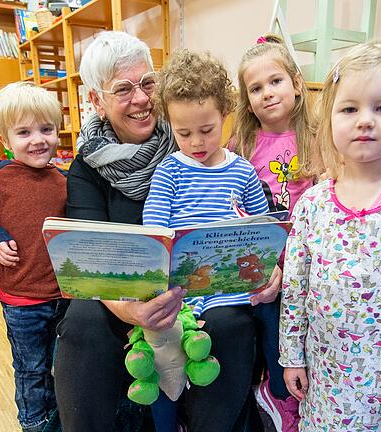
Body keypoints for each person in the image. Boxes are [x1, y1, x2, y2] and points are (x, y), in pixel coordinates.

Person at [54, 31, 259, 432]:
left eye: (148, 83)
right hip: (120, 292)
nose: (142, 98)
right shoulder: (87, 167)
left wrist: (268, 267)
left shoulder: (192, 133)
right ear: (96, 100)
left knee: (231, 324)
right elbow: (86, 259)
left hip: (197, 287)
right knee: (83, 323)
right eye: (123, 89)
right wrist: (132, 310)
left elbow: (253, 214)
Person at [280, 39, 381, 432]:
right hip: (321, 380)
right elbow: (295, 288)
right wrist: (291, 355)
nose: (365, 120)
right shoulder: (313, 204)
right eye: (350, 108)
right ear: (331, 119)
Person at [142, 49, 271, 432]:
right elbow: (155, 231)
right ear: (170, 125)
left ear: (224, 117)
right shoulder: (170, 171)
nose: (197, 142)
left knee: (233, 327)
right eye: (184, 133)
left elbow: (261, 228)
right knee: (164, 347)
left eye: (207, 130)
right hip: (181, 291)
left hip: (229, 289)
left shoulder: (242, 171)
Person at [0, 81, 68, 432]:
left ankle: (61, 419)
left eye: (46, 129)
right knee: (31, 369)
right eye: (24, 132)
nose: (37, 139)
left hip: (64, 296)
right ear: (5, 141)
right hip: (22, 299)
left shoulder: (66, 179)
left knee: (62, 366)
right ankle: (35, 425)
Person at [231, 33, 322, 432]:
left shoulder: (319, 137)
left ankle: (303, 390)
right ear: (246, 99)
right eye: (256, 88)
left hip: (308, 259)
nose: (267, 94)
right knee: (270, 314)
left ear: (297, 84)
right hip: (266, 261)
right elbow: (233, 209)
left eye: (276, 81)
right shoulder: (241, 143)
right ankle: (279, 396)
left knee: (306, 320)